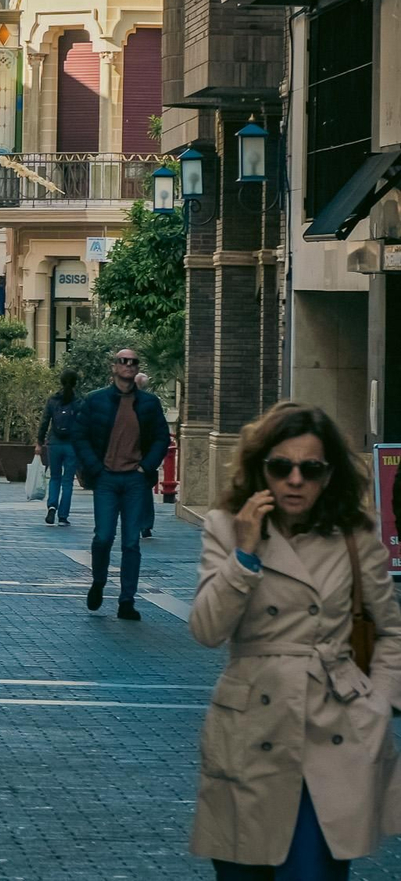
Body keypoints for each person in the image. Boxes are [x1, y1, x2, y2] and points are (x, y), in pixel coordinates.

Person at [190, 401, 401, 880]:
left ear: (329, 475)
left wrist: (378, 701)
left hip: (333, 731)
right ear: (261, 467)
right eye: (281, 467)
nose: (295, 480)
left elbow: (391, 631)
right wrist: (244, 554)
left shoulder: (355, 535)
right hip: (250, 735)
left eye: (311, 469)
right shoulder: (226, 527)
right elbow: (206, 630)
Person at [71, 347, 171, 621]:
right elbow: (80, 436)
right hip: (106, 479)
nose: (128, 365)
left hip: (135, 481)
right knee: (103, 537)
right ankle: (99, 581)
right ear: (113, 367)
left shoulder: (149, 404)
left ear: (137, 368)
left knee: (131, 543)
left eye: (133, 362)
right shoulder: (95, 401)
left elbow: (162, 437)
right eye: (122, 361)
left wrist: (145, 467)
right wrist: (95, 467)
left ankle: (127, 600)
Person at [35, 369, 82, 527]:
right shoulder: (78, 402)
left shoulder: (53, 400)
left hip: (54, 443)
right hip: (72, 444)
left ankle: (52, 506)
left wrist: (39, 442)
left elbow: (44, 422)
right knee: (67, 481)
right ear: (75, 383)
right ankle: (63, 516)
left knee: (54, 477)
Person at [136, 371, 157, 539]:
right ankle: (146, 524)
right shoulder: (152, 403)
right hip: (146, 455)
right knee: (145, 491)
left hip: (135, 454)